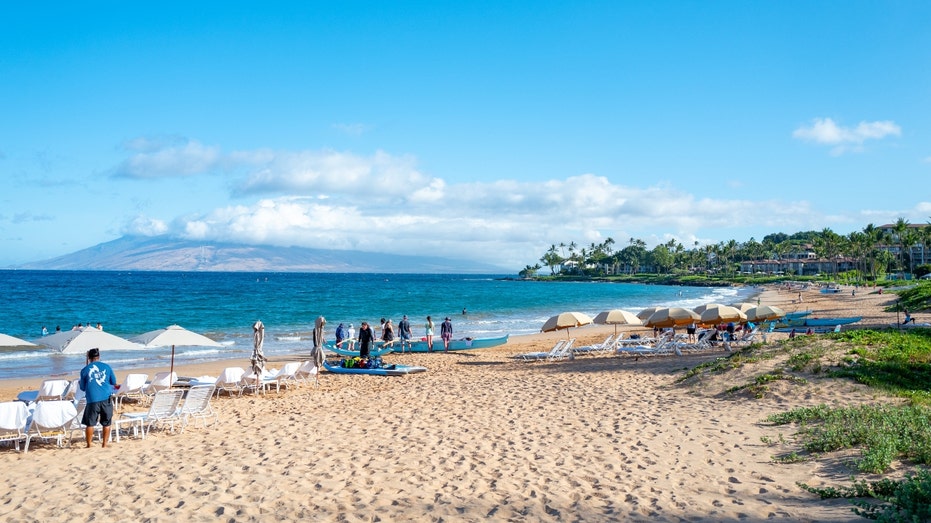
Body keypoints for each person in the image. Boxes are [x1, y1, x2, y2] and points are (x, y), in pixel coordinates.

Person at [79, 348, 117, 448]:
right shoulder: (107, 367)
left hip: (92, 399)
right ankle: (104, 444)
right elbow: (113, 382)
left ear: (89, 358)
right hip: (106, 397)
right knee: (106, 422)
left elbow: (82, 388)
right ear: (99, 357)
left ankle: (89, 444)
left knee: (90, 423)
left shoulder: (85, 370)